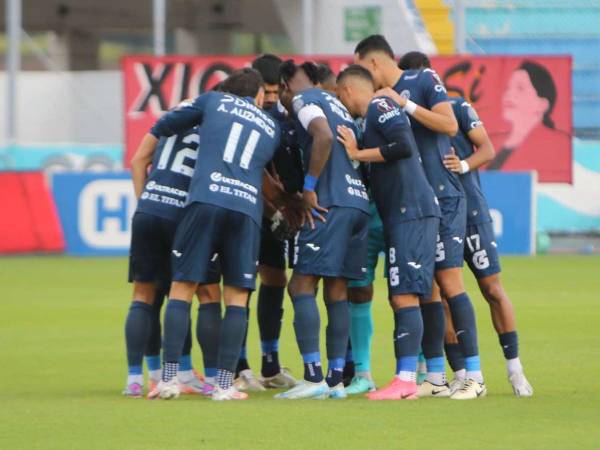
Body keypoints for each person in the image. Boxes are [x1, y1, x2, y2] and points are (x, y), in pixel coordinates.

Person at [354, 35, 486, 399]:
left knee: (449, 282)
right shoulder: (376, 104)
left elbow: (449, 127)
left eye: (363, 69)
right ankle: (437, 377)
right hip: (414, 203)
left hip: (443, 198)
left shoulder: (422, 80)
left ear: (375, 63)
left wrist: (406, 105)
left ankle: (474, 375)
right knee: (424, 287)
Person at [399, 51, 534, 396]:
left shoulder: (456, 108)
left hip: (470, 213)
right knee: (442, 293)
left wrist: (463, 165)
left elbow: (487, 149)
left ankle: (515, 369)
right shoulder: (405, 119)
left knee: (491, 289)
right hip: (439, 215)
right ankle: (461, 373)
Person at [146, 68, 284, 401]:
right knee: (237, 296)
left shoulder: (213, 100)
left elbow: (165, 126)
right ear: (258, 96)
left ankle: (167, 380)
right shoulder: (272, 125)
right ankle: (223, 385)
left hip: (206, 199)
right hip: (246, 209)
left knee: (183, 287)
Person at [337, 65, 441, 400]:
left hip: (409, 211)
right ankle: (425, 377)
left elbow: (403, 145)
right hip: (405, 213)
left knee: (405, 295)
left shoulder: (380, 107)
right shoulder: (369, 120)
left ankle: (407, 380)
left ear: (349, 90)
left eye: (341, 96)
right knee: (409, 294)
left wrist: (356, 153)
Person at [275, 60, 370, 400]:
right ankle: (334, 381)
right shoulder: (339, 105)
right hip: (358, 203)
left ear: (286, 86)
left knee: (300, 284)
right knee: (337, 289)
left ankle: (313, 376)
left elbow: (323, 135)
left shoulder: (304, 100)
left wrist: (310, 187)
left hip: (328, 204)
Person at [124, 121, 221, 398]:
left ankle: (138, 379)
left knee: (143, 295)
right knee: (200, 292)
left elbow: (137, 160)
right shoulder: (217, 128)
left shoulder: (170, 124)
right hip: (184, 214)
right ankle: (205, 378)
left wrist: (146, 201)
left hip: (149, 210)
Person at [232, 54, 298, 392]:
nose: (270, 99)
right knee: (240, 284)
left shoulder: (282, 117)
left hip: (272, 212)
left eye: (276, 92)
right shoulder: (240, 118)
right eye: (266, 92)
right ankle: (238, 366)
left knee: (275, 277)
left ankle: (270, 365)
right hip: (244, 208)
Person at [488, 60, 571, 182]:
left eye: (520, 88)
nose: (510, 94)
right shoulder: (490, 142)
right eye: (508, 88)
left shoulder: (558, 143)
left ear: (542, 104)